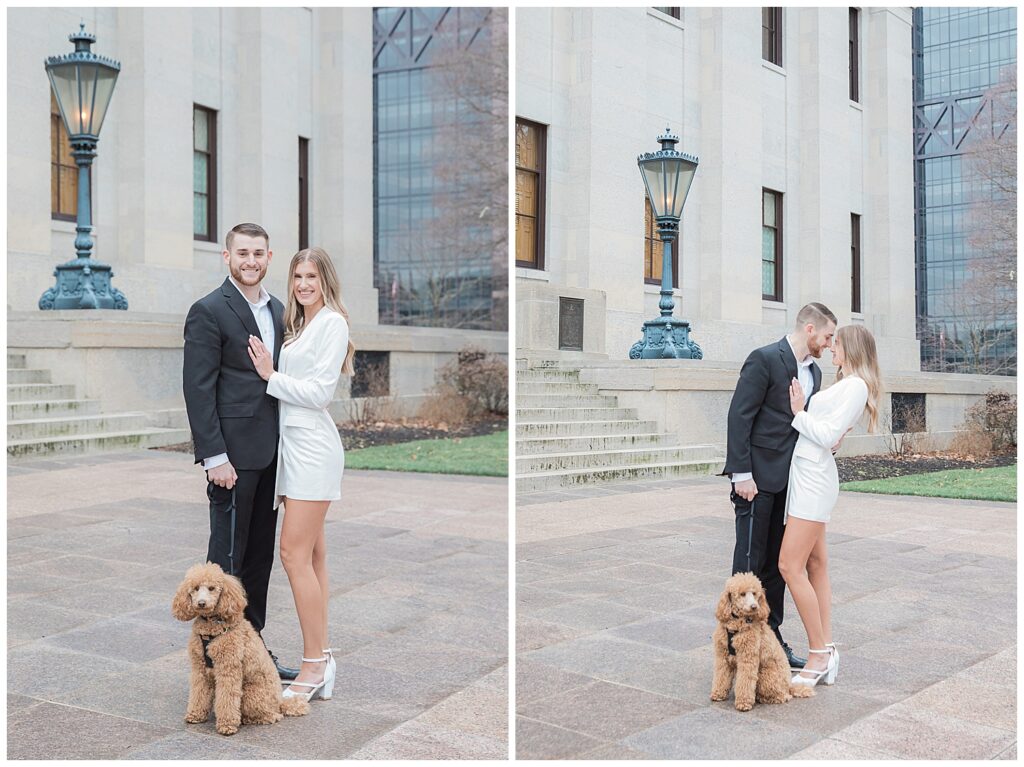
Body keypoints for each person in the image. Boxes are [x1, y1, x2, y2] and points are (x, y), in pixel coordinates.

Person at [183, 222, 298, 680]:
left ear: (269, 258)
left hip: (273, 456)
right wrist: (215, 457)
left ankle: (252, 654)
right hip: (231, 459)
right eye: (242, 253)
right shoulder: (209, 309)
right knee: (225, 567)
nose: (251, 261)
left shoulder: (280, 309)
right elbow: (198, 388)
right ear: (227, 258)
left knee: (258, 560)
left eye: (259, 254)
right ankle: (214, 665)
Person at [247, 246, 354, 702]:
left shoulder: (332, 323)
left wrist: (270, 375)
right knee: (313, 557)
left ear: (325, 279)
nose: (304, 284)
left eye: (311, 276)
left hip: (313, 449)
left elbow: (318, 393)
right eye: (297, 277)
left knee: (292, 554)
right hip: (293, 451)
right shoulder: (299, 327)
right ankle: (323, 657)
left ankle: (312, 666)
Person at [721, 302, 837, 670]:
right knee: (749, 568)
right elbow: (740, 416)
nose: (830, 344)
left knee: (778, 568)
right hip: (755, 483)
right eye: (828, 335)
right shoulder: (765, 359)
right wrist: (742, 474)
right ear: (809, 329)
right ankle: (736, 648)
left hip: (793, 487)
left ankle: (771, 642)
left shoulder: (815, 374)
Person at [780, 324, 881, 688]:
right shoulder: (846, 384)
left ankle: (818, 654)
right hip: (809, 474)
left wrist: (797, 411)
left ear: (851, 348)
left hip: (813, 480)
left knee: (789, 566)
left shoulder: (855, 387)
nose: (831, 348)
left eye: (836, 343)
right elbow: (830, 435)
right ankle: (827, 648)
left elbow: (824, 436)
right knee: (816, 564)